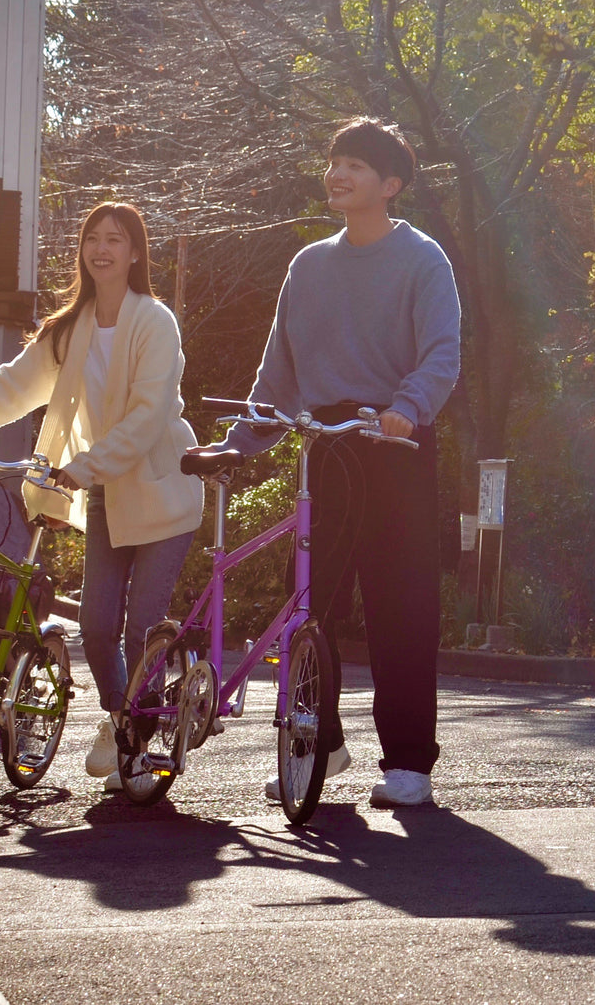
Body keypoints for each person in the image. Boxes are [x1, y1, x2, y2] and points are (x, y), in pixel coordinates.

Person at [188, 117, 460, 808]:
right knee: (306, 599)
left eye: (356, 166)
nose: (337, 174)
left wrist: (408, 406)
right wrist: (240, 444)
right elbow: (276, 375)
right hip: (326, 445)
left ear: (390, 184)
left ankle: (408, 762)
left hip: (393, 444)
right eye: (334, 161)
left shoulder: (422, 259)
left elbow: (441, 354)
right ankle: (317, 744)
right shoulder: (308, 265)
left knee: (400, 607)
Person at [0, 201, 204, 792]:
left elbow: (149, 417)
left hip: (161, 491)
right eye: (93, 238)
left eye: (115, 239)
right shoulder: (69, 328)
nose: (102, 248)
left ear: (135, 252)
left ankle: (137, 739)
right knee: (95, 628)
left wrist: (84, 466)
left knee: (142, 629)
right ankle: (126, 725)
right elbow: (12, 386)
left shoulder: (155, 322)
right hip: (104, 491)